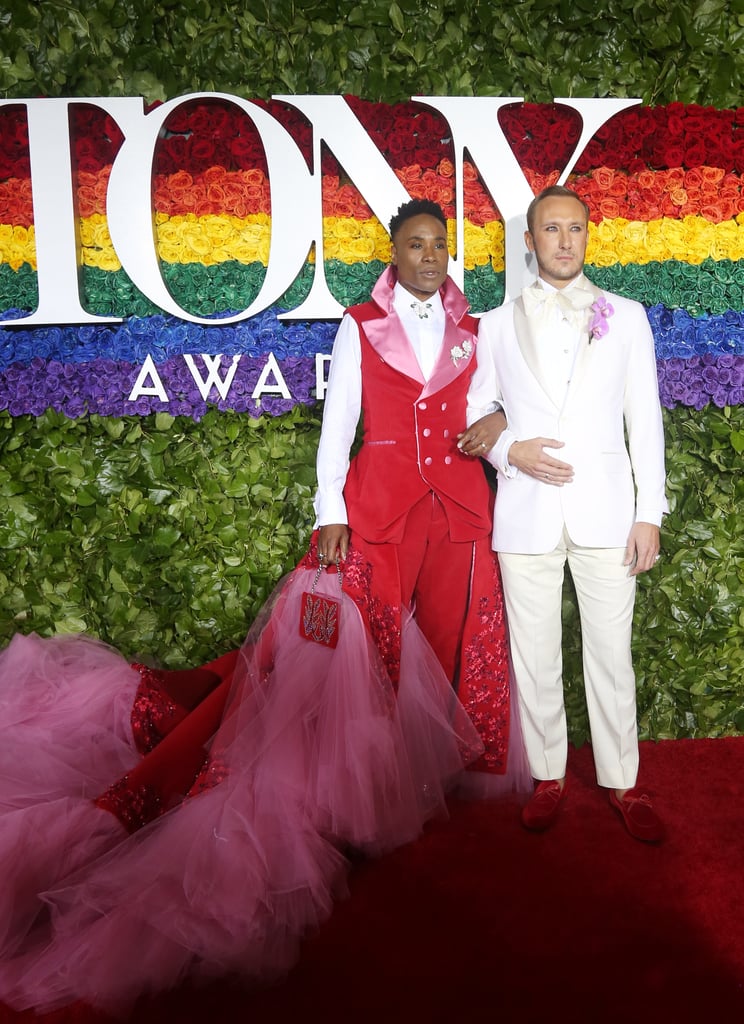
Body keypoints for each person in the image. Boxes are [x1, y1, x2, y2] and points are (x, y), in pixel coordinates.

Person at [0, 200, 527, 1017]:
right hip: (379, 503)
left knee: (453, 643)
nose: (428, 256)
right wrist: (330, 510)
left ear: (448, 253)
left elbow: (491, 410)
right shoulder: (359, 325)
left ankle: (438, 775)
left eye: (438, 245)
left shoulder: (475, 329)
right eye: (414, 245)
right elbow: (339, 423)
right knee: (376, 653)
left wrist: (497, 420)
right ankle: (363, 794)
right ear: (394, 252)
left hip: (458, 506)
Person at [463, 185, 668, 842]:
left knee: (611, 655)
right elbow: (475, 415)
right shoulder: (494, 325)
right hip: (525, 517)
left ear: (587, 235)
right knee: (535, 655)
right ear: (530, 240)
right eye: (551, 230)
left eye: (574, 229)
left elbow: (646, 422)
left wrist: (650, 514)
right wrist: (509, 450)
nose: (563, 241)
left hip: (608, 514)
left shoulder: (626, 317)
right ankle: (549, 776)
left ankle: (623, 782)